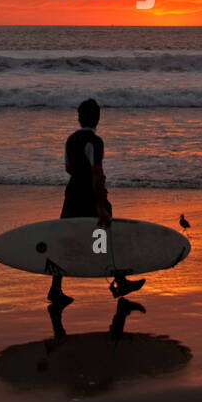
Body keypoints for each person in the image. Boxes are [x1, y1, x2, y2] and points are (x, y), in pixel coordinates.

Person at [49, 98, 144, 305]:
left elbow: (69, 168)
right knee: (106, 234)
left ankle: (55, 288)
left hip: (72, 191)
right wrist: (100, 206)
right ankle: (120, 281)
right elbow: (97, 173)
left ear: (79, 118)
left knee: (67, 237)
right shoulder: (95, 141)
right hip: (89, 194)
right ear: (98, 118)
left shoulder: (70, 140)